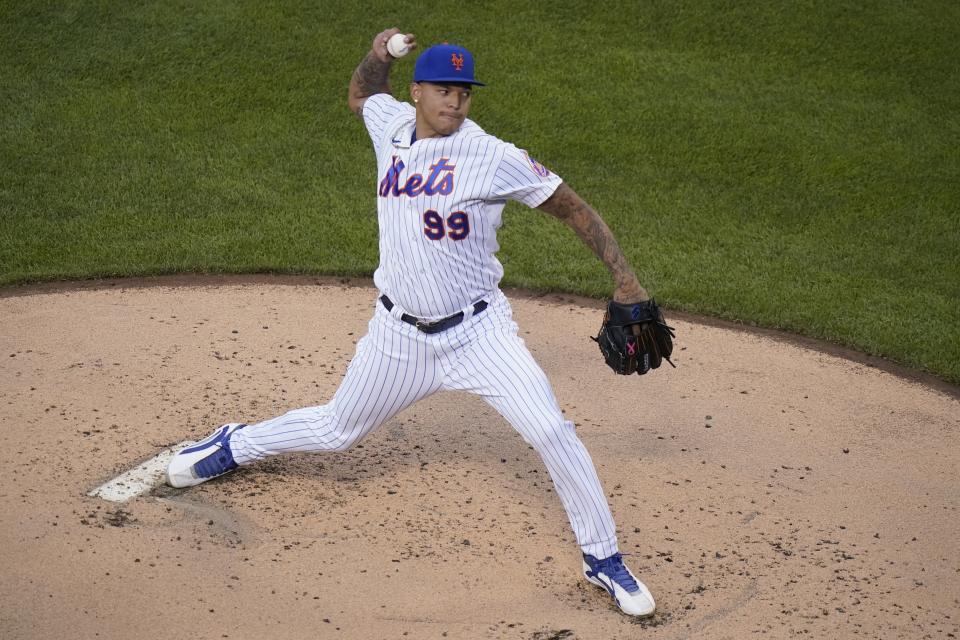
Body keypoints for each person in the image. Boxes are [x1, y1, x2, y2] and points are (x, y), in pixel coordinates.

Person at [167, 28, 658, 617]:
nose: (456, 101)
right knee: (335, 431)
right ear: (419, 91)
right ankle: (233, 443)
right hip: (397, 338)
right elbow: (360, 96)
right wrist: (377, 58)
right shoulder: (390, 126)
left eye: (465, 92)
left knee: (552, 431)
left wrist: (626, 281)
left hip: (479, 334)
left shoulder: (492, 155)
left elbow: (573, 207)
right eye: (445, 90)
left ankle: (603, 559)